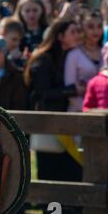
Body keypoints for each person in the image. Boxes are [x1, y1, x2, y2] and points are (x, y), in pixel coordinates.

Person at [24, 19, 81, 182]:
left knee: (68, 172)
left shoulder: (69, 57)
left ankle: (66, 208)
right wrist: (72, 90)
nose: (78, 35)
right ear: (60, 36)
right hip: (47, 123)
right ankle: (50, 208)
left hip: (66, 123)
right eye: (73, 32)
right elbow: (43, 93)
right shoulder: (43, 59)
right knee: (49, 173)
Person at [64, 10, 103, 112]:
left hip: (104, 111)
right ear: (82, 29)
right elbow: (70, 90)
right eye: (90, 27)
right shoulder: (73, 54)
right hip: (78, 113)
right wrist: (88, 110)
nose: (96, 31)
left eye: (99, 26)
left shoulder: (106, 51)